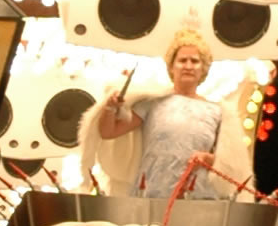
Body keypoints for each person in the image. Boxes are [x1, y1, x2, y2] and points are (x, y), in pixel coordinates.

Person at [85, 22, 255, 203]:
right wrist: (110, 108)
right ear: (172, 67)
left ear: (203, 68)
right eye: (182, 60)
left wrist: (207, 158)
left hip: (198, 198)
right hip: (151, 195)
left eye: (194, 61)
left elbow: (227, 164)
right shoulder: (152, 103)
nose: (188, 66)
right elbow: (108, 132)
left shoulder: (217, 112)